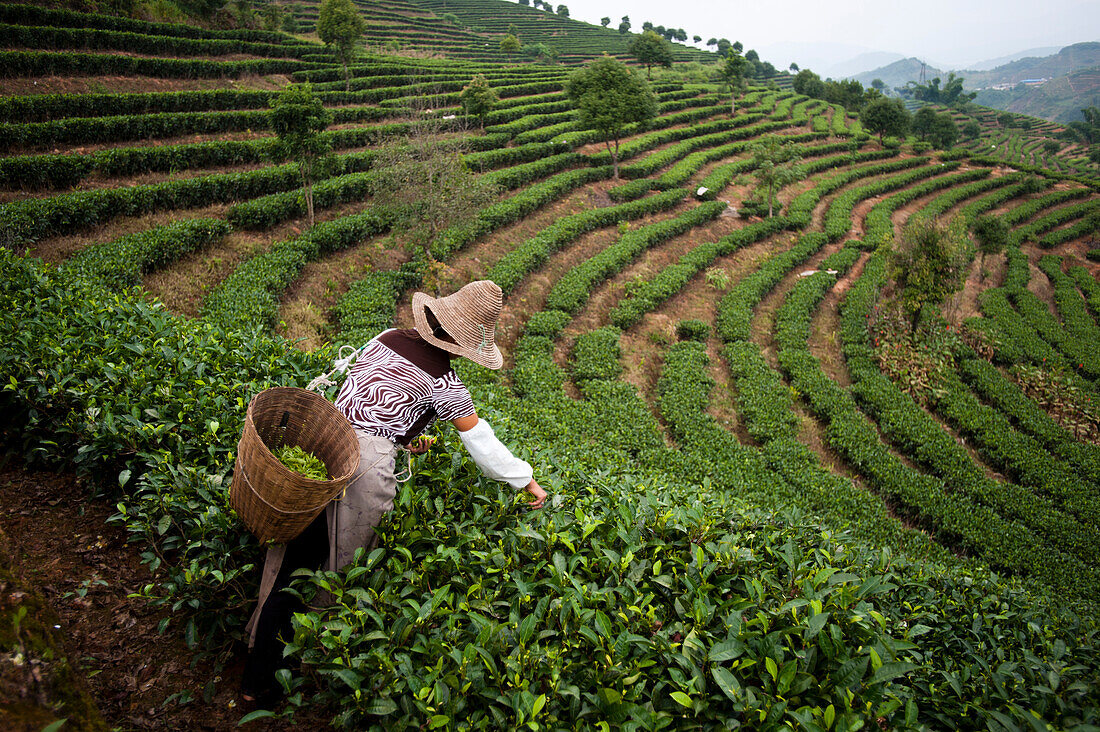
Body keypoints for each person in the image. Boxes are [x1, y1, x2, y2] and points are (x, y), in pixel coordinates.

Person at [241, 280, 547, 705]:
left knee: (295, 557)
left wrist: (404, 435)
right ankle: (291, 676)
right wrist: (525, 479)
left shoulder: (385, 338)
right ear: (464, 344)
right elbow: (484, 445)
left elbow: (369, 398)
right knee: (336, 570)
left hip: (324, 445)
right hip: (361, 471)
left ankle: (258, 666)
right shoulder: (445, 384)